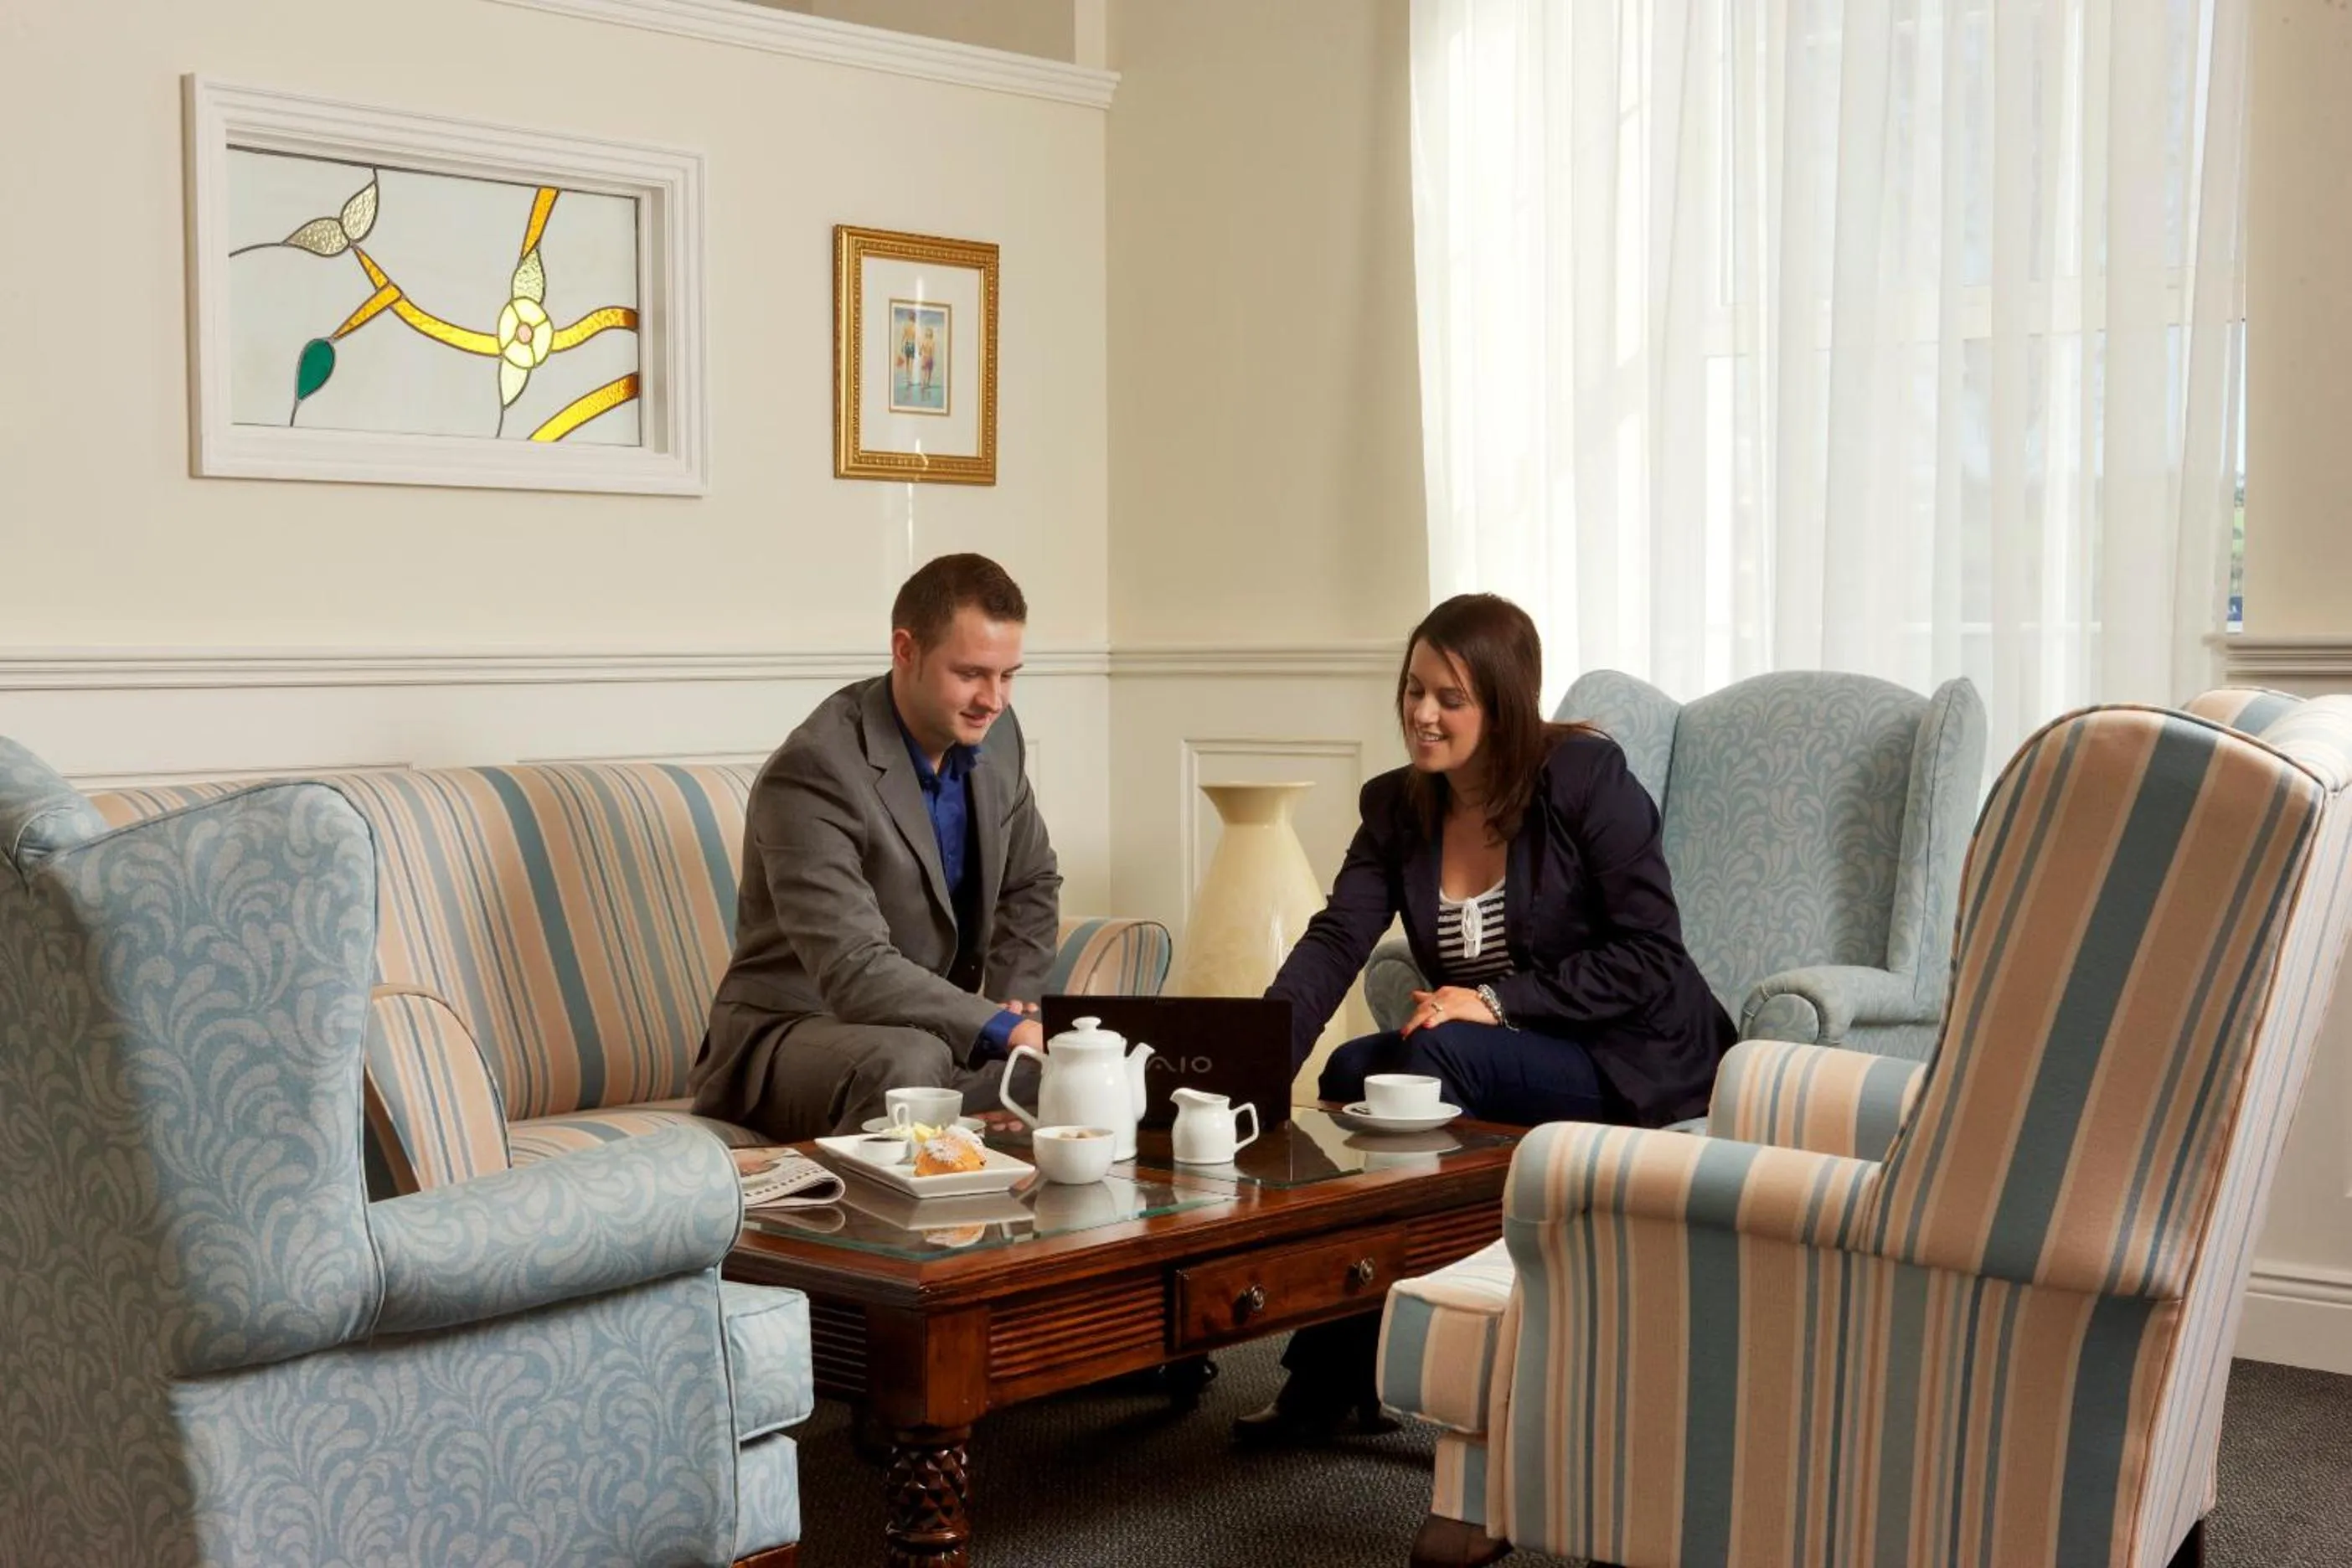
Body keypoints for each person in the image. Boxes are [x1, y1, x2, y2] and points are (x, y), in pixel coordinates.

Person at [1236, 592, 1734, 1447]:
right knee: (1354, 1072)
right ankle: (1350, 1365)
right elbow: (1336, 939)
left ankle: (1343, 1368)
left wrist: (1500, 1002)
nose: (1423, 715)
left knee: (1429, 1065)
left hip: (1631, 1053)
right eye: (1413, 690)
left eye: (1450, 699)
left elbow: (1653, 954)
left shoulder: (1583, 780)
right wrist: (1243, 1063)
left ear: (1502, 707)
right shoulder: (1397, 805)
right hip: (1496, 1055)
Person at [690, 554, 1061, 1142]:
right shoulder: (814, 769)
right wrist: (1000, 1031)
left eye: (1008, 675)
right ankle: (910, 1199)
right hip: (795, 1031)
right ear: (905, 650)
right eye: (970, 674)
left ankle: (985, 1165)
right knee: (912, 1067)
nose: (993, 699)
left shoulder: (999, 736)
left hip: (931, 1030)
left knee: (1079, 1062)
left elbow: (1030, 884)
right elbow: (853, 967)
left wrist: (1018, 1010)